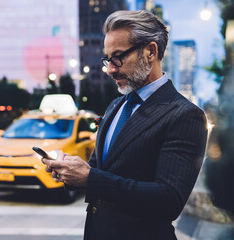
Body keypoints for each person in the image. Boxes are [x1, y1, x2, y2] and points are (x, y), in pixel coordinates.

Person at [42, 10, 208, 240]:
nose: (109, 69)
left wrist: (91, 179)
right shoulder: (115, 106)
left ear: (151, 51)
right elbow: (99, 170)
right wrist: (69, 170)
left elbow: (168, 201)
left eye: (118, 57)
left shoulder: (185, 115)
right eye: (107, 59)